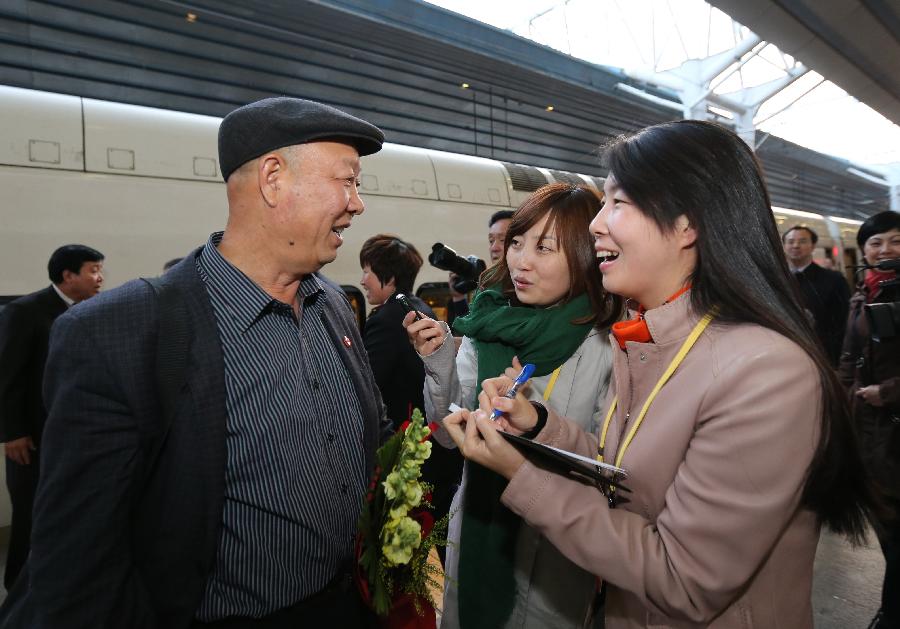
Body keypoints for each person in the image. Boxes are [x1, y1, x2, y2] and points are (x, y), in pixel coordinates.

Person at [441, 120, 878, 629]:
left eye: (618, 203)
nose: (597, 225)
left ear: (687, 225)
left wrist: (523, 474)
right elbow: (627, 477)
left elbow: (685, 581)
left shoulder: (765, 372)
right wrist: (539, 424)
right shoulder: (652, 341)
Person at [0, 97, 392, 629]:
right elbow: (77, 566)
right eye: (347, 181)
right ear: (273, 179)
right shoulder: (121, 333)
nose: (357, 204)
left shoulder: (332, 306)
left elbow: (368, 434)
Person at [405, 183, 622, 629]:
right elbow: (446, 437)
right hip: (476, 531)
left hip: (555, 552)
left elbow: (614, 469)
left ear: (584, 256)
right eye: (517, 243)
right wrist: (439, 362)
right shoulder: (486, 329)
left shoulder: (608, 345)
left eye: (545, 248)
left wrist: (535, 421)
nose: (520, 260)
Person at [0, 244, 104, 589]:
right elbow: (7, 375)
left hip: (75, 434)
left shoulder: (93, 310)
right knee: (31, 515)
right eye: (92, 270)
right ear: (67, 275)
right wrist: (11, 432)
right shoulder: (25, 311)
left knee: (68, 512)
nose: (100, 277)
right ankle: (18, 588)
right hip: (31, 438)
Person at [358, 234, 461, 548]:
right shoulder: (416, 307)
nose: (362, 280)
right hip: (437, 448)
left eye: (368, 272)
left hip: (413, 450)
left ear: (388, 278)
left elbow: (367, 383)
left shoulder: (386, 320)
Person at [839, 211, 900, 629]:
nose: (885, 250)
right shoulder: (862, 295)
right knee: (887, 526)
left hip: (895, 425)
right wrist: (842, 402)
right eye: (876, 242)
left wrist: (889, 392)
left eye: (895, 241)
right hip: (870, 431)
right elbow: (847, 358)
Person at [783, 224, 850, 365]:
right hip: (783, 354)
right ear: (783, 246)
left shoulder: (834, 280)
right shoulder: (775, 279)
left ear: (813, 246)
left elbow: (843, 324)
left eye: (802, 241)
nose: (795, 246)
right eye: (790, 241)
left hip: (821, 356)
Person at [446, 210, 513, 327]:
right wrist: (458, 297)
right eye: (491, 241)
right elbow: (470, 337)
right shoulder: (489, 285)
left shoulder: (526, 289)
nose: (494, 248)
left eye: (502, 240)